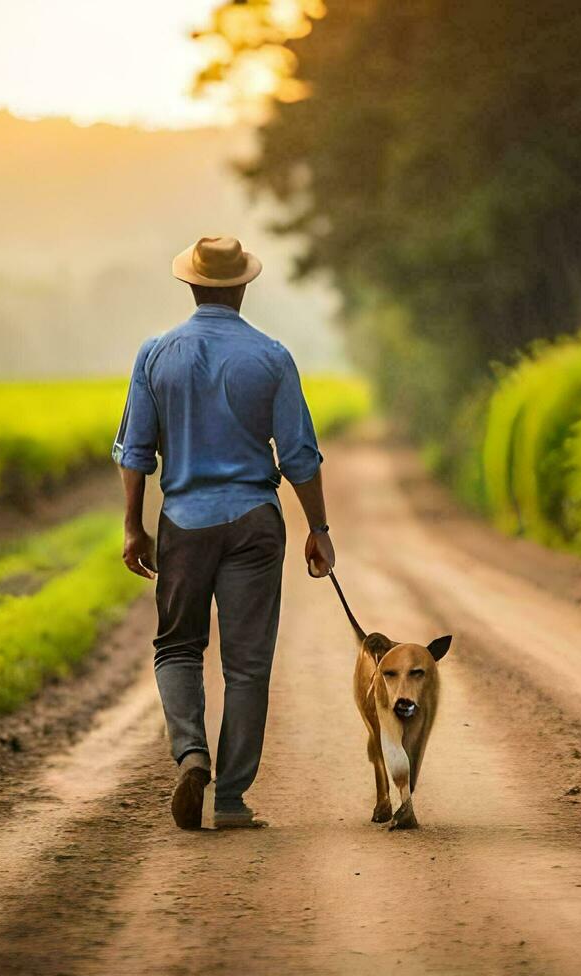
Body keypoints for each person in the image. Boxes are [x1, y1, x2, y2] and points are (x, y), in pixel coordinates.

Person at [112, 235, 336, 831]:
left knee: (178, 647)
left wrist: (134, 528)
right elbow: (300, 458)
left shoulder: (156, 354)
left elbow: (135, 454)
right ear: (242, 286)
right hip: (255, 524)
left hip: (184, 522)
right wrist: (319, 527)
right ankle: (232, 801)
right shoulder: (272, 356)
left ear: (191, 285)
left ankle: (191, 755)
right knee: (247, 666)